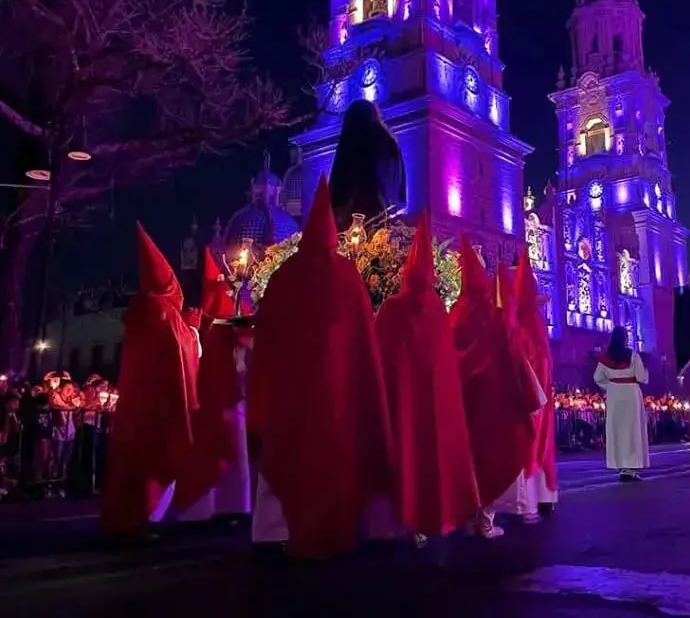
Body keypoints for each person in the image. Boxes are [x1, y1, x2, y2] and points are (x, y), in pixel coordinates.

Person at [249, 174, 394, 558]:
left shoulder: (283, 276)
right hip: (335, 389)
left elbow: (264, 331)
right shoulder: (347, 276)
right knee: (331, 452)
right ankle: (331, 524)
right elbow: (364, 339)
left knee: (285, 453)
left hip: (290, 389)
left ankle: (271, 532)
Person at [372, 214, 479, 545]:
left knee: (403, 453)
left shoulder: (391, 307)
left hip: (400, 399)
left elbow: (378, 350)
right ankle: (428, 518)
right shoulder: (436, 308)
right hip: (430, 404)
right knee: (429, 457)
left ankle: (401, 520)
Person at [101, 223, 200, 537]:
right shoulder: (163, 312)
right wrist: (193, 328)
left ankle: (128, 519)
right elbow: (181, 349)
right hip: (159, 402)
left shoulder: (141, 309)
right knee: (154, 459)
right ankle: (144, 520)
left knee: (133, 460)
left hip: (137, 402)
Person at [451, 238, 541, 538]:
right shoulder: (494, 315)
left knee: (469, 459)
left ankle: (469, 517)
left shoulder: (455, 315)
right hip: (494, 400)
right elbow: (513, 352)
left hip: (464, 403)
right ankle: (485, 519)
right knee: (491, 456)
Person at [172, 251, 252, 522]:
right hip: (218, 399)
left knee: (230, 449)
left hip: (227, 397)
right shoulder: (211, 326)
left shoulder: (219, 325)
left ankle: (229, 506)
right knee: (220, 448)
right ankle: (219, 506)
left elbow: (245, 331)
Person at [513, 253, 558, 515]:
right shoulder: (536, 327)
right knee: (538, 444)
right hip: (537, 396)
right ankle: (541, 497)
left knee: (526, 444)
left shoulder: (515, 324)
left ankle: (525, 500)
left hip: (524, 396)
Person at [329, 99, 406, 232]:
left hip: (354, 211)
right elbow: (398, 184)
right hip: (383, 210)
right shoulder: (390, 143)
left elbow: (340, 179)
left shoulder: (351, 141)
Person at [594, 326, 650, 481]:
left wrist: (611, 386)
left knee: (617, 430)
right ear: (625, 338)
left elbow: (597, 377)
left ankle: (620, 466)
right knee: (632, 430)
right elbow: (640, 376)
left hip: (614, 395)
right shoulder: (632, 356)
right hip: (631, 393)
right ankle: (630, 467)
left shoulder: (605, 358)